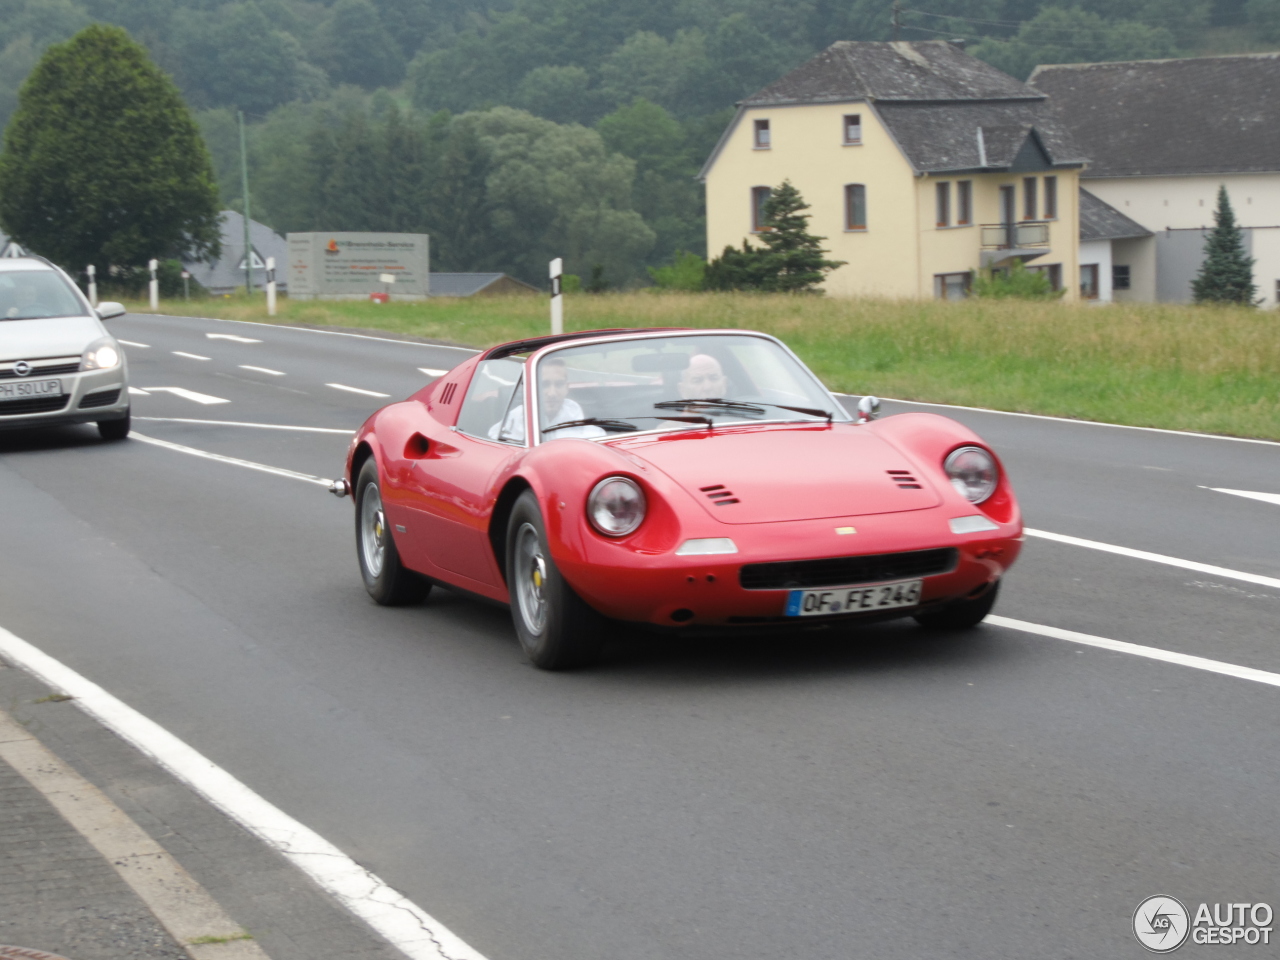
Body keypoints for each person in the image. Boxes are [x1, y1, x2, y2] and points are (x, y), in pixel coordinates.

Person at [490, 357, 604, 442]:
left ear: (566, 388)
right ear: (532, 387)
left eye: (559, 384)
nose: (552, 393)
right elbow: (495, 445)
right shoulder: (517, 417)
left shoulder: (576, 417)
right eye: (544, 385)